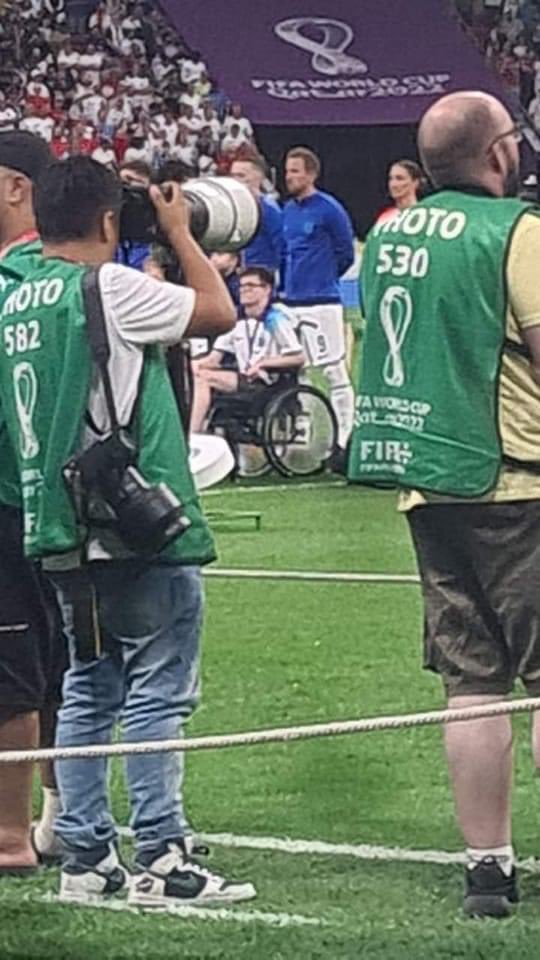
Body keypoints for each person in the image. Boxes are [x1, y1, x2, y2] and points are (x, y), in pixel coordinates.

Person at [0, 156, 255, 907]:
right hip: (132, 523)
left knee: (86, 685)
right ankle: (164, 853)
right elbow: (216, 313)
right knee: (157, 688)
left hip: (56, 521)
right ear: (110, 220)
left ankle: (84, 855)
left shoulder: (16, 297)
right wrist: (178, 232)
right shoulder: (106, 286)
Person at [347, 90, 540, 919]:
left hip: (428, 484)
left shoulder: (390, 232)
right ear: (498, 154)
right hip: (519, 479)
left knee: (471, 682)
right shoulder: (518, 231)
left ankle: (487, 872)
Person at [0, 131, 65, 872]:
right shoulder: (75, 274)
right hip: (61, 498)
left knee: (14, 663)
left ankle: (11, 836)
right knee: (60, 662)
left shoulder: (17, 281)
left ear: (20, 188)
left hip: (11, 497)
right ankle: (64, 815)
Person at [281, 146, 355, 450]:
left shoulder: (329, 209)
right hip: (291, 303)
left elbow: (345, 253)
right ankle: (306, 436)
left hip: (322, 302)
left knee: (333, 369)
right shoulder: (287, 210)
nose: (289, 176)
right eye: (287, 171)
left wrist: (323, 279)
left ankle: (345, 438)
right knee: (298, 371)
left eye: (295, 171)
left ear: (311, 174)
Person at [190, 266, 304, 433]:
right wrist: (194, 364)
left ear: (266, 289)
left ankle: (194, 434)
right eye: (242, 286)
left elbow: (299, 357)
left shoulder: (275, 320)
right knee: (197, 374)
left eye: (250, 285)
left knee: (204, 379)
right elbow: (214, 359)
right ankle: (196, 429)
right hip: (244, 378)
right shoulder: (236, 321)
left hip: (267, 382)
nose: (244, 290)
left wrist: (265, 363)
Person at [230, 155, 283, 275]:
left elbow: (281, 246)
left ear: (258, 178)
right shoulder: (236, 208)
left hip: (264, 277)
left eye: (241, 176)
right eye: (233, 175)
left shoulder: (268, 208)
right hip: (243, 275)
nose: (235, 181)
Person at [376, 159, 426, 225]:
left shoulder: (426, 214)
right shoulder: (385, 217)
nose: (393, 184)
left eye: (400, 178)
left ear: (415, 182)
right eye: (391, 179)